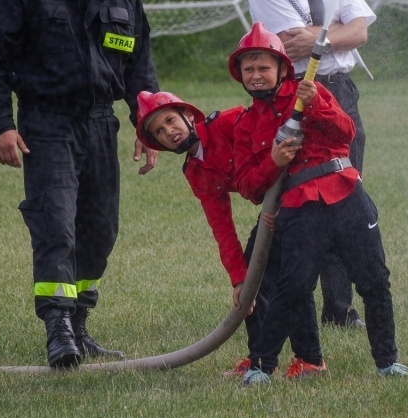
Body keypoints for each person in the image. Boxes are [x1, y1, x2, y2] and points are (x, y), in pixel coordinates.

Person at [0, 0, 160, 367]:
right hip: (47, 124)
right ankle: (57, 329)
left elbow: (139, 64)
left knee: (99, 230)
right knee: (56, 224)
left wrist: (148, 121)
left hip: (100, 123)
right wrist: (2, 124)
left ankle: (80, 326)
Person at [230, 22, 408, 385]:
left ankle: (387, 362)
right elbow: (248, 186)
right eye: (249, 69)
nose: (256, 75)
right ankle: (262, 367)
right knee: (293, 287)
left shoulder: (309, 91)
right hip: (298, 208)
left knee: (374, 281)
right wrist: (275, 161)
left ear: (282, 67)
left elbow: (346, 132)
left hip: (347, 195)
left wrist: (315, 106)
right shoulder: (246, 125)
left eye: (263, 67)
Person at [135, 90, 326, 379]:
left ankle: (308, 360)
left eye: (171, 120)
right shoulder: (195, 171)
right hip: (276, 206)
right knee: (252, 277)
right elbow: (221, 227)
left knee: (290, 277)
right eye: (159, 131)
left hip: (304, 192)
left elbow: (275, 133)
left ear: (188, 116)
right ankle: (261, 361)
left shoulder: (229, 122)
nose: (168, 132)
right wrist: (238, 280)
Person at [248, 0, 376, 328]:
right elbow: (295, 45)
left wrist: (324, 36)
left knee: (343, 194)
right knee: (297, 202)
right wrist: (336, 34)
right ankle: (272, 298)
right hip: (300, 95)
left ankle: (338, 310)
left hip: (342, 94)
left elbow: (359, 32)